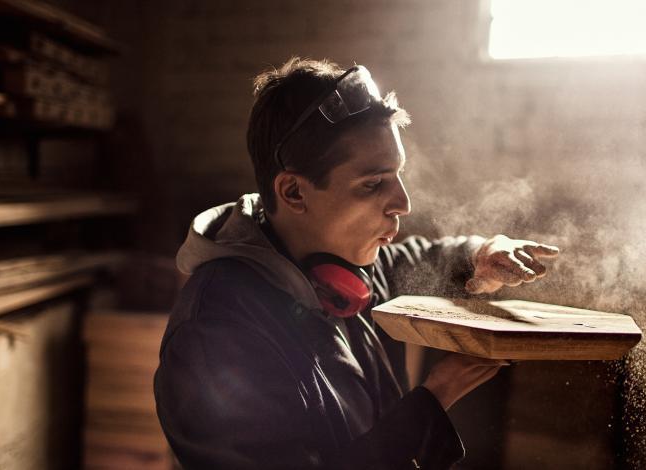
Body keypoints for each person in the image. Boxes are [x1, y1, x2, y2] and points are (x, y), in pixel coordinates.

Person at [153, 58, 559, 470]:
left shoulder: (340, 264)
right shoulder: (216, 335)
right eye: (373, 183)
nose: (403, 203)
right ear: (294, 191)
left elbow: (415, 260)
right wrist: (432, 401)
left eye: (398, 175)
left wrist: (479, 255)